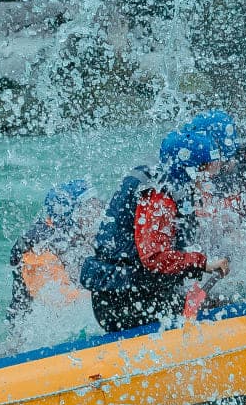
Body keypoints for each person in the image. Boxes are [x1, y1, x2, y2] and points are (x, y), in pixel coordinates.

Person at [82, 122, 237, 332]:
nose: (210, 178)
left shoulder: (168, 181)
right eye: (207, 171)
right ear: (189, 170)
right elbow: (154, 257)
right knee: (219, 310)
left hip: (133, 290)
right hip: (123, 301)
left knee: (220, 301)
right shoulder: (158, 197)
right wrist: (203, 263)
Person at [8, 178, 103, 328]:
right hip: (31, 336)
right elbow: (60, 300)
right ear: (70, 216)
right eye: (89, 209)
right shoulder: (37, 249)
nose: (98, 214)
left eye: (98, 205)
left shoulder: (79, 239)